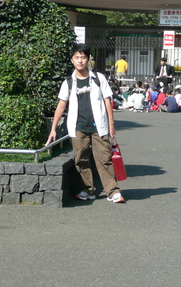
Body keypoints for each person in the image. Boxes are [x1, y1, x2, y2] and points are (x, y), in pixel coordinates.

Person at [46, 44, 125, 203]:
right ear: (72, 60)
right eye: (77, 57)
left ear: (87, 59)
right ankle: (88, 190)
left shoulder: (98, 78)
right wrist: (53, 128)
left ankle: (113, 191)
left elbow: (107, 101)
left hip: (99, 126)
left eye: (83, 57)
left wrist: (111, 124)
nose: (80, 61)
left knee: (104, 158)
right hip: (78, 127)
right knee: (80, 159)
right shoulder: (69, 82)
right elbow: (61, 105)